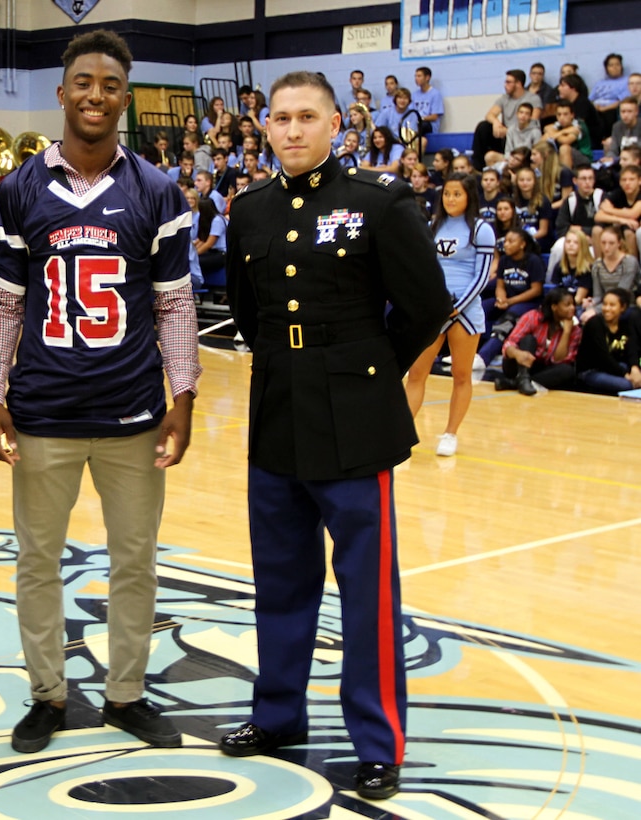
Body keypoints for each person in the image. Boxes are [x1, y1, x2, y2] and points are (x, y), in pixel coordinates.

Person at [221, 70, 451, 801]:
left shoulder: (377, 203)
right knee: (279, 582)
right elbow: (245, 307)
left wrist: (366, 367)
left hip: (354, 419)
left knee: (365, 592)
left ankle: (376, 742)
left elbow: (424, 307)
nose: (291, 130)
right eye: (280, 118)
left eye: (306, 118)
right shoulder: (248, 210)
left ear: (335, 127)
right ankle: (277, 714)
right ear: (266, 127)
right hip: (278, 410)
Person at [0, 29, 200, 756]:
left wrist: (183, 398)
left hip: (133, 412)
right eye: (82, 82)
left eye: (108, 83)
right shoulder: (18, 188)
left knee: (133, 561)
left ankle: (125, 694)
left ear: (124, 96)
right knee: (38, 562)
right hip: (41, 412)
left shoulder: (156, 190)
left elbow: (173, 304)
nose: (95, 94)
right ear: (62, 91)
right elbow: (3, 304)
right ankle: (47, 694)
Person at [406, 173, 496, 456]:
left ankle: (450, 434)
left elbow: (482, 277)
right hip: (434, 311)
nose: (450, 199)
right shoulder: (434, 226)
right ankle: (403, 435)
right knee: (417, 373)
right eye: (446, 194)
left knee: (461, 374)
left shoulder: (481, 229)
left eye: (457, 194)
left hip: (465, 312)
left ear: (469, 196)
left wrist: (457, 306)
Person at [494, 287, 582, 394]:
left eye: (573, 304)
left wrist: (566, 333)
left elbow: (559, 360)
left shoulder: (575, 330)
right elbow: (509, 343)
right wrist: (518, 354)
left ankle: (516, 383)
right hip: (518, 365)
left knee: (568, 371)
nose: (572, 308)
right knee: (528, 340)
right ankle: (523, 378)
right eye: (567, 305)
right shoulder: (533, 317)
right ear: (554, 307)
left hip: (541, 369)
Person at [477, 227, 545, 365]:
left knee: (508, 317)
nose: (506, 244)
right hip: (508, 299)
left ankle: (483, 357)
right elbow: (500, 285)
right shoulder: (504, 260)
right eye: (505, 241)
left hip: (529, 303)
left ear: (522, 244)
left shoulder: (534, 261)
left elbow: (536, 290)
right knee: (479, 309)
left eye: (511, 241)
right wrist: (501, 299)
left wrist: (509, 301)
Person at [576, 287, 641, 394]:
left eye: (612, 305)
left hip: (616, 366)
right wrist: (626, 375)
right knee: (627, 385)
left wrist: (634, 368)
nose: (606, 308)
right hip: (591, 370)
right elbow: (603, 358)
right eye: (605, 304)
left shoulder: (626, 323)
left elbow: (632, 348)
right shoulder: (595, 324)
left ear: (623, 307)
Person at [471, 70, 542, 162]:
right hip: (504, 136)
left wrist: (509, 131)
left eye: (508, 82)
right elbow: (489, 115)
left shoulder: (533, 99)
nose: (505, 85)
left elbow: (532, 121)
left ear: (518, 84)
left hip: (521, 136)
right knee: (483, 126)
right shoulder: (504, 98)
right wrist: (496, 123)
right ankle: (478, 166)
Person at [586, 224, 641, 313]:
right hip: (606, 305)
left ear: (619, 243)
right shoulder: (598, 265)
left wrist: (596, 310)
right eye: (603, 243)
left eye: (611, 243)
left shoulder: (629, 262)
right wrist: (591, 302)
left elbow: (621, 293)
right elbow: (598, 295)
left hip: (626, 306)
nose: (606, 247)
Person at [595, 163, 641, 256]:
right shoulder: (618, 193)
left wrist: (609, 210)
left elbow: (633, 214)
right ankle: (599, 266)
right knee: (597, 230)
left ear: (639, 181)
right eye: (624, 180)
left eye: (631, 179)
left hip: (636, 229)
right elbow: (598, 216)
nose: (627, 183)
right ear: (620, 182)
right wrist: (622, 220)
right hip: (622, 225)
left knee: (629, 232)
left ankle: (633, 267)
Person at [548, 226, 595, 308]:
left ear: (583, 246)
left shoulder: (587, 268)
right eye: (568, 242)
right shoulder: (559, 266)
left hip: (580, 305)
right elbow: (555, 290)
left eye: (576, 242)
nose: (571, 245)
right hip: (562, 303)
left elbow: (578, 299)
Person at [589, 53, 630, 139]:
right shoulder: (600, 83)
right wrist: (595, 107)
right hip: (596, 109)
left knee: (609, 114)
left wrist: (604, 108)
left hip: (612, 109)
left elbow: (623, 100)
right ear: (606, 68)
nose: (615, 67)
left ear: (621, 67)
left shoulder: (626, 81)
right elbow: (590, 100)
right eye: (611, 65)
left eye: (617, 64)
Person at [513, 166, 553, 251]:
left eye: (528, 180)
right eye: (521, 180)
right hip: (518, 239)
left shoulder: (543, 201)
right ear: (516, 182)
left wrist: (525, 239)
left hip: (539, 241)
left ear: (534, 182)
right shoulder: (513, 200)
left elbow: (543, 231)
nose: (525, 183)